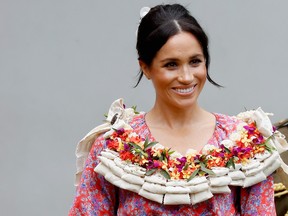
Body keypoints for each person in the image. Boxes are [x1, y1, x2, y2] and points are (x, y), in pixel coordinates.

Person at [69, 4, 281, 215]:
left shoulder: (244, 143)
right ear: (145, 67)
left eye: (195, 62)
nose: (187, 77)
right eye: (171, 64)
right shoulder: (113, 147)